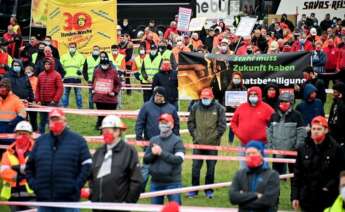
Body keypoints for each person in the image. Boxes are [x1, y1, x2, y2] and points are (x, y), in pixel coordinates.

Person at [26, 108, 92, 212]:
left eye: (58, 119)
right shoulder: (40, 141)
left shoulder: (78, 140)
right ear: (48, 122)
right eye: (52, 119)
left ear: (65, 121)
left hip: (68, 202)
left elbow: (87, 165)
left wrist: (76, 186)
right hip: (44, 201)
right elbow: (29, 166)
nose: (55, 122)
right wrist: (35, 185)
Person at [291, 116, 345, 212]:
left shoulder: (336, 149)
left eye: (319, 129)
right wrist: (295, 196)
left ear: (326, 130)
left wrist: (328, 187)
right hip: (306, 197)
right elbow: (297, 174)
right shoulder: (303, 148)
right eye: (313, 129)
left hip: (327, 199)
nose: (315, 131)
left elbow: (340, 173)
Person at [90, 115, 143, 211]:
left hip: (119, 207)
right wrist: (92, 195)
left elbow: (137, 181)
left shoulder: (129, 151)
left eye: (107, 131)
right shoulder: (99, 152)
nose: (104, 134)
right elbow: (92, 177)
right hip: (98, 207)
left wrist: (127, 203)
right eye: (103, 131)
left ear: (118, 131)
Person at [135, 86, 180, 191]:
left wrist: (176, 139)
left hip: (167, 142)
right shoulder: (146, 107)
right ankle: (139, 189)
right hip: (149, 142)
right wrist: (139, 137)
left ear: (164, 97)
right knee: (146, 167)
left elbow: (176, 125)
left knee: (166, 165)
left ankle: (166, 187)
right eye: (156, 95)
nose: (157, 98)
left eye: (160, 96)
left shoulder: (171, 109)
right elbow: (140, 122)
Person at [187, 88, 226, 199]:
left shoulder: (219, 108)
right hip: (198, 143)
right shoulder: (195, 107)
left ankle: (209, 190)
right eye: (203, 98)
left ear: (212, 97)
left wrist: (214, 138)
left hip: (212, 145)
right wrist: (195, 135)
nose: (205, 100)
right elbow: (190, 122)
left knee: (211, 169)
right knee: (195, 168)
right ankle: (194, 191)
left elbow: (222, 126)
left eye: (207, 98)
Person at [144, 113, 185, 205]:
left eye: (166, 122)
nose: (163, 125)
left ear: (172, 125)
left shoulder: (178, 141)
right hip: (155, 182)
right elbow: (146, 160)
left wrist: (161, 153)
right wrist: (153, 154)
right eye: (161, 122)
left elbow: (178, 160)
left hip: (172, 182)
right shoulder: (153, 140)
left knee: (175, 209)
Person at [229, 141, 280, 212]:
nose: (251, 156)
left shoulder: (272, 175)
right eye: (248, 154)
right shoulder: (240, 174)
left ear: (261, 154)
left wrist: (243, 202)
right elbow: (233, 197)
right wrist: (255, 195)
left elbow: (268, 201)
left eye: (254, 153)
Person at [231, 86, 274, 167]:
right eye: (251, 94)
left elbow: (275, 123)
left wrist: (267, 136)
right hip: (244, 144)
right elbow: (233, 122)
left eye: (255, 94)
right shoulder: (241, 107)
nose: (253, 96)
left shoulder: (267, 108)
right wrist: (239, 134)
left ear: (260, 95)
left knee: (263, 168)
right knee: (244, 168)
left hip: (262, 145)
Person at [267, 92, 307, 174]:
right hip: (277, 150)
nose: (283, 103)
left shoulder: (297, 115)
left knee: (295, 175)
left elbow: (301, 132)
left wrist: (297, 146)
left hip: (292, 151)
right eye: (281, 102)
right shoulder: (274, 115)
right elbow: (269, 131)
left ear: (291, 103)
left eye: (286, 102)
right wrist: (271, 145)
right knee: (276, 175)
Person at [0, 121, 35, 212]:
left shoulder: (37, 150)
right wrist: (19, 176)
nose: (22, 136)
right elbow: (3, 171)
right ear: (15, 134)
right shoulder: (8, 153)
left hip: (33, 195)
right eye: (19, 133)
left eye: (25, 134)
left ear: (30, 135)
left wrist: (18, 170)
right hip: (13, 195)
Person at [91, 55, 121, 129]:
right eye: (103, 64)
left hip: (110, 99)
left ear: (109, 64)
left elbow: (118, 84)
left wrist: (115, 92)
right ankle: (101, 127)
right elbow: (93, 82)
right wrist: (93, 89)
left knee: (110, 116)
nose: (104, 66)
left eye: (106, 64)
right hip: (99, 98)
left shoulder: (113, 71)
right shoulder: (96, 71)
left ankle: (109, 128)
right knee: (101, 115)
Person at [35, 58, 64, 134]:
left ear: (52, 65)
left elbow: (60, 88)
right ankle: (41, 136)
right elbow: (37, 88)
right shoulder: (41, 75)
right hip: (42, 102)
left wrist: (55, 100)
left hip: (52, 103)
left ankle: (53, 135)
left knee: (51, 121)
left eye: (48, 64)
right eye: (45, 64)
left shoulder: (57, 75)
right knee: (42, 121)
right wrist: (37, 100)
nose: (47, 66)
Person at [0, 78, 26, 148]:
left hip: (9, 132)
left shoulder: (15, 99)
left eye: (5, 87)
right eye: (1, 87)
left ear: (9, 89)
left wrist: (13, 123)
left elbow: (23, 114)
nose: (2, 89)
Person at [61, 42, 85, 109]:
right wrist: (63, 72)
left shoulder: (80, 56)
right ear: (68, 48)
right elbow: (61, 65)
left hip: (77, 78)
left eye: (73, 47)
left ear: (76, 47)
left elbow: (83, 65)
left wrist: (80, 70)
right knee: (65, 94)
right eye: (70, 47)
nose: (72, 48)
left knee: (78, 94)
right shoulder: (63, 56)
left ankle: (79, 108)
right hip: (66, 78)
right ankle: (64, 108)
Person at [225, 72, 246, 144]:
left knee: (243, 127)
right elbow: (225, 101)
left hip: (242, 111)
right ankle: (230, 142)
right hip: (231, 111)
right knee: (232, 127)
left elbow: (246, 101)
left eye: (238, 78)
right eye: (235, 78)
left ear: (241, 79)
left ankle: (243, 141)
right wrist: (230, 105)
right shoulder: (229, 88)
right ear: (232, 79)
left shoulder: (243, 89)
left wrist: (241, 106)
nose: (236, 79)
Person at [328, 82, 345, 150]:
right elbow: (331, 115)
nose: (333, 94)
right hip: (333, 132)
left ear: (341, 93)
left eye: (335, 92)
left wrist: (340, 100)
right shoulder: (335, 102)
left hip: (341, 134)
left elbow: (342, 111)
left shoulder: (341, 102)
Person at [25, 65, 38, 132]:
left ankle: (35, 131)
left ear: (32, 72)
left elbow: (38, 90)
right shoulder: (23, 79)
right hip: (25, 101)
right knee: (24, 118)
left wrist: (36, 100)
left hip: (33, 101)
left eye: (29, 72)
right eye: (26, 72)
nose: (27, 73)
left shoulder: (36, 79)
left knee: (33, 118)